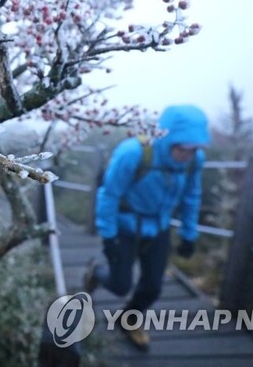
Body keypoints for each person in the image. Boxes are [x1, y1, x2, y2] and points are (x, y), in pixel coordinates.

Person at [83, 104, 210, 351]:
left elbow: (191, 196)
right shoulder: (133, 153)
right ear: (169, 137)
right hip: (125, 227)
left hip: (159, 228)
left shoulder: (195, 161)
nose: (188, 154)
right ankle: (96, 271)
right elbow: (108, 195)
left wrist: (188, 234)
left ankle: (129, 319)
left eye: (194, 148)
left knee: (152, 287)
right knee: (120, 286)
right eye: (183, 147)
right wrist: (108, 238)